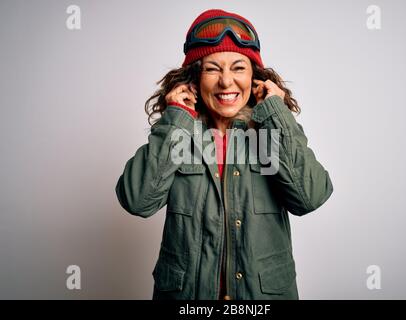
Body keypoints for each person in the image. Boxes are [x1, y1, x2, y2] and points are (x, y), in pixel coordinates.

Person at [115, 9, 333, 300]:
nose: (226, 82)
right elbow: (137, 201)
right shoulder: (179, 132)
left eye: (239, 68)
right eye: (212, 68)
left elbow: (311, 197)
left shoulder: (269, 133)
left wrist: (277, 115)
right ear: (194, 78)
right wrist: (175, 118)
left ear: (255, 76)